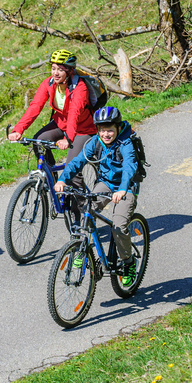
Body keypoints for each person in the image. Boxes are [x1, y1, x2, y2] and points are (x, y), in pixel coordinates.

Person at [54, 105, 139, 286]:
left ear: (117, 127)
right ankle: (83, 251)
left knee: (118, 225)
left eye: (109, 130)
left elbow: (129, 166)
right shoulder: (95, 142)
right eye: (101, 130)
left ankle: (128, 262)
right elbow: (78, 161)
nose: (105, 134)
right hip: (105, 183)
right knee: (87, 211)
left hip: (126, 186)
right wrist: (63, 180)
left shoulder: (126, 143)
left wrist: (123, 189)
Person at [7, 50, 96, 164]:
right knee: (39, 142)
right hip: (61, 124)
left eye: (60, 69)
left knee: (71, 168)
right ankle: (50, 178)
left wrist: (67, 138)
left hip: (83, 129)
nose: (55, 73)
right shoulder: (49, 83)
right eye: (53, 68)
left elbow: (75, 113)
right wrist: (18, 130)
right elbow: (35, 106)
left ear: (69, 71)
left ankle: (74, 181)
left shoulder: (80, 87)